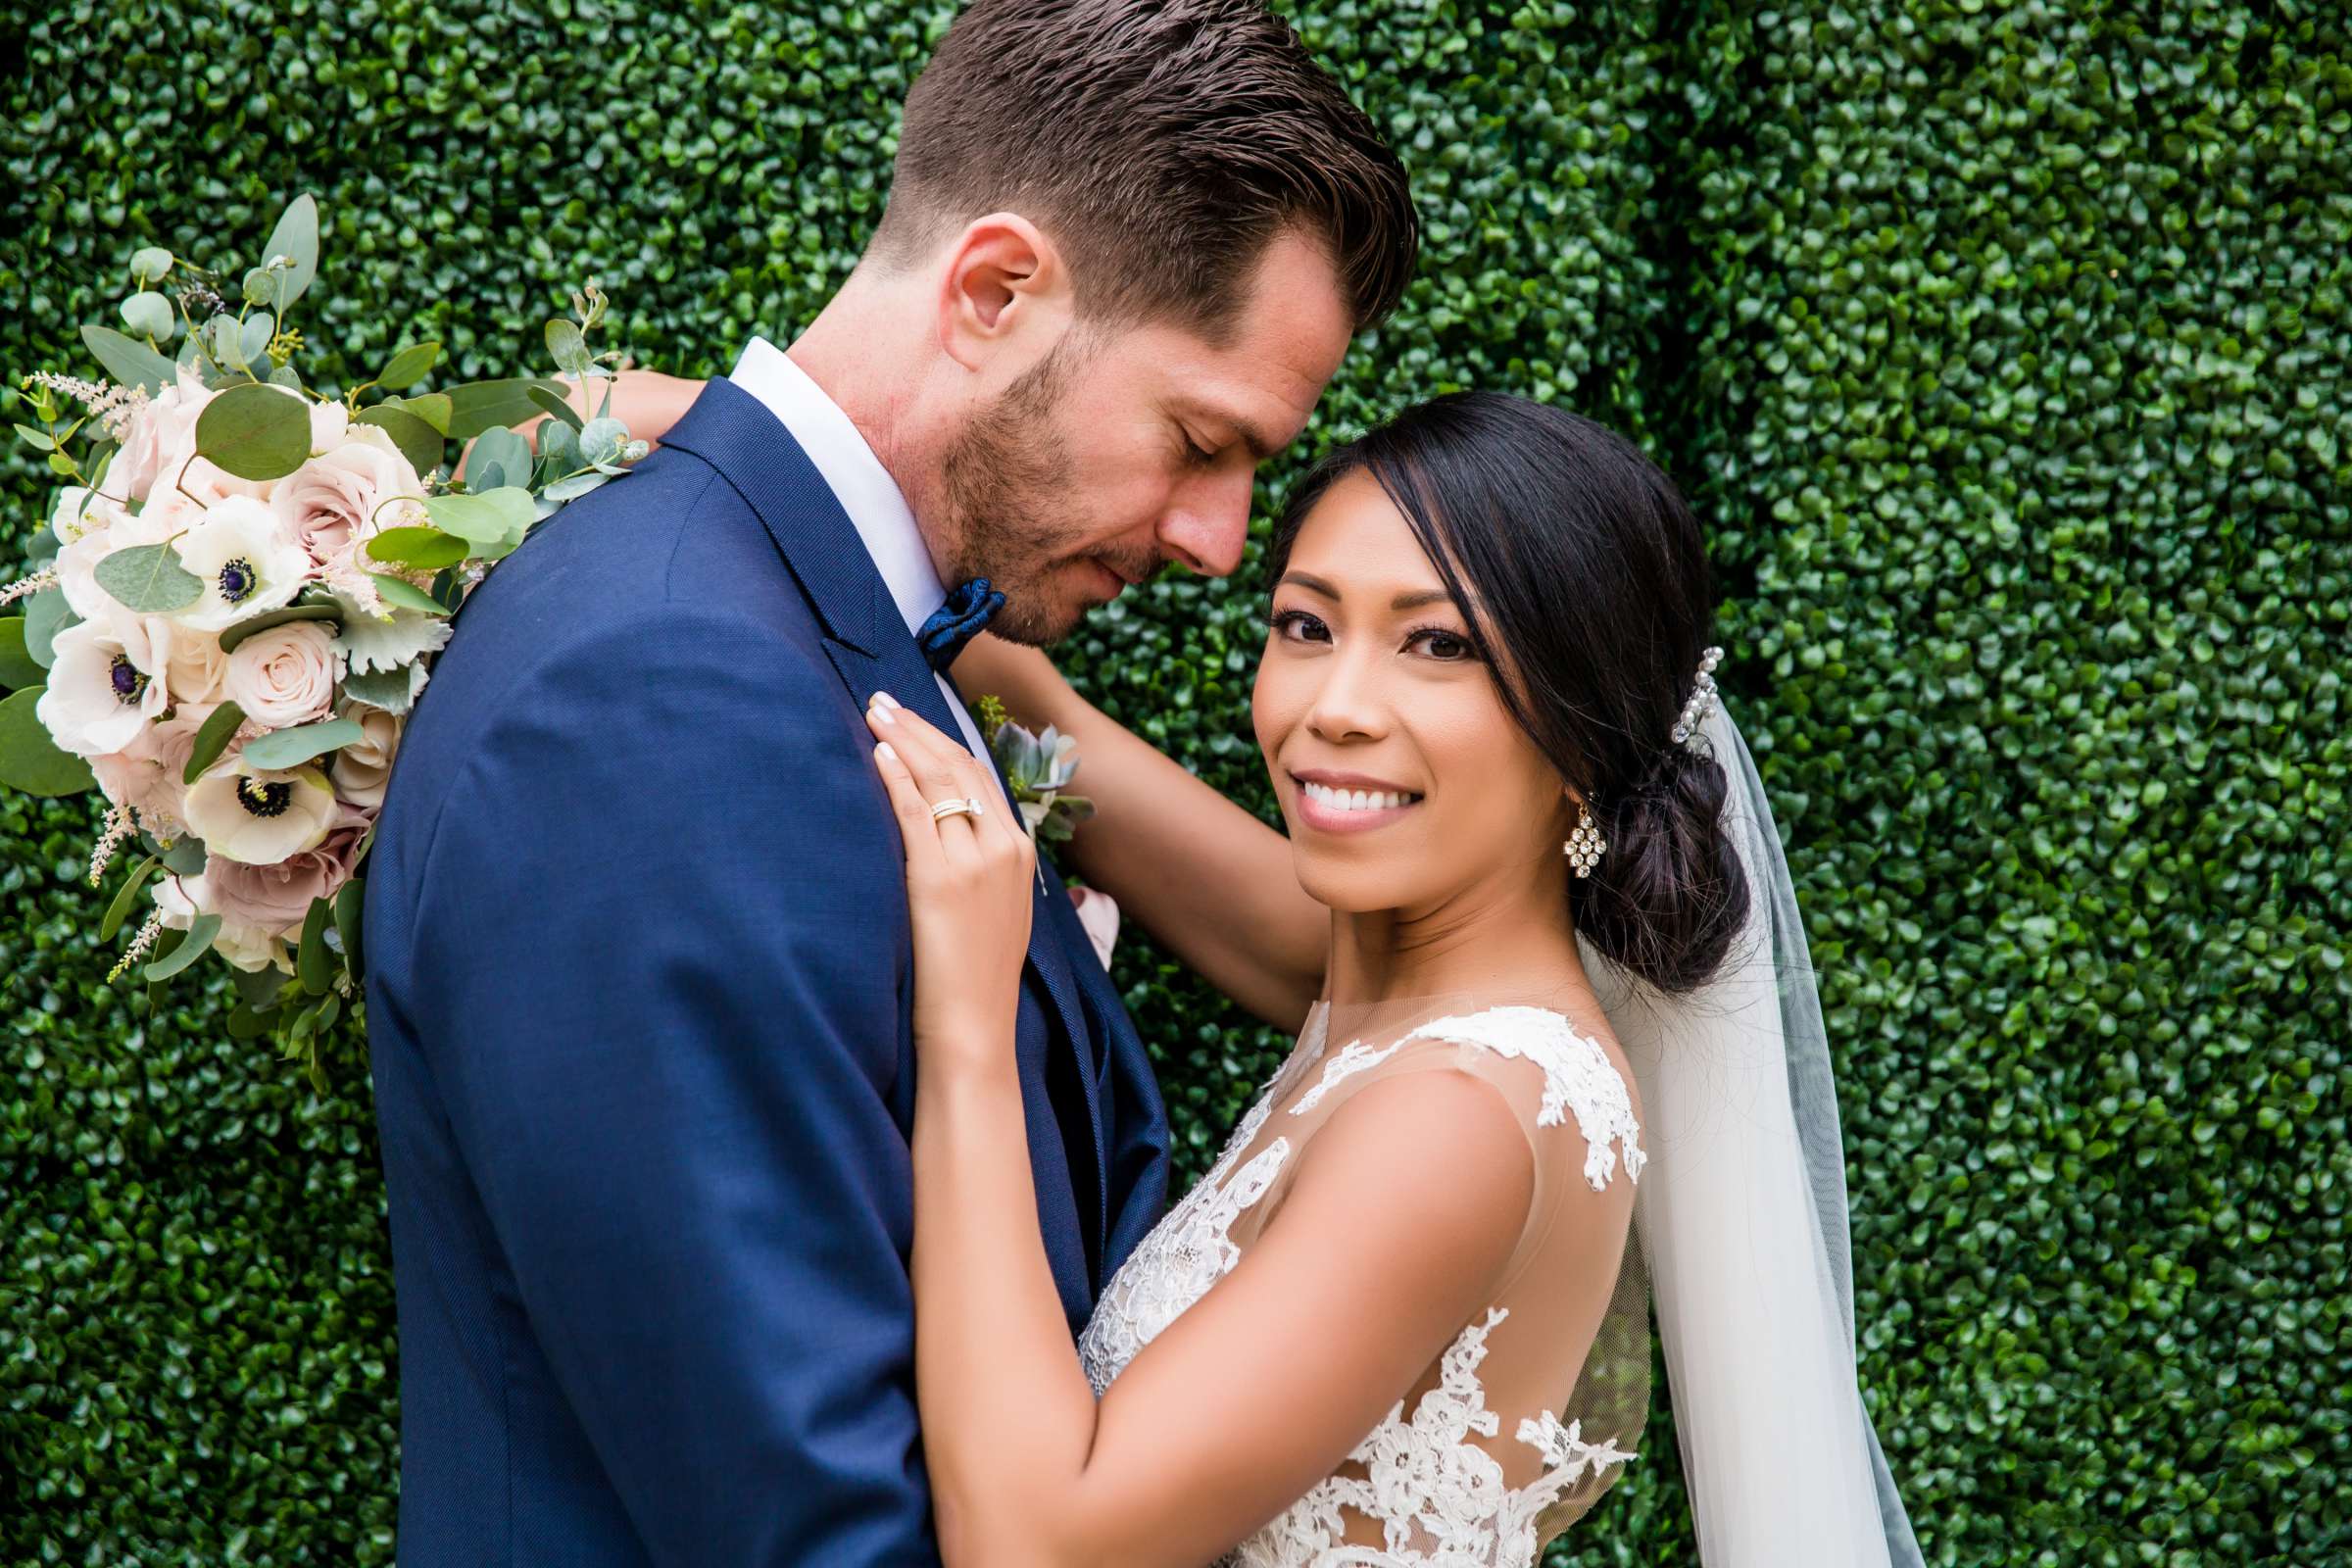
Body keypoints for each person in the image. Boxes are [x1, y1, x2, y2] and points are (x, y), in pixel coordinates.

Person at [360, 0, 1417, 1561]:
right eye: (1201, 439)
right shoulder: (661, 700)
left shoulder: (820, 627)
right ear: (994, 289)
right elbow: (808, 1521)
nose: (1216, 540)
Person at [857, 390, 1928, 1565]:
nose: (1336, 709)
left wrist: (965, 1027)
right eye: (1307, 626)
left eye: (1438, 645)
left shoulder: (1456, 1111)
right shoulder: (1394, 976)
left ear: (1585, 732)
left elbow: (1036, 1544)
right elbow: (1039, 719)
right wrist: (709, 425)